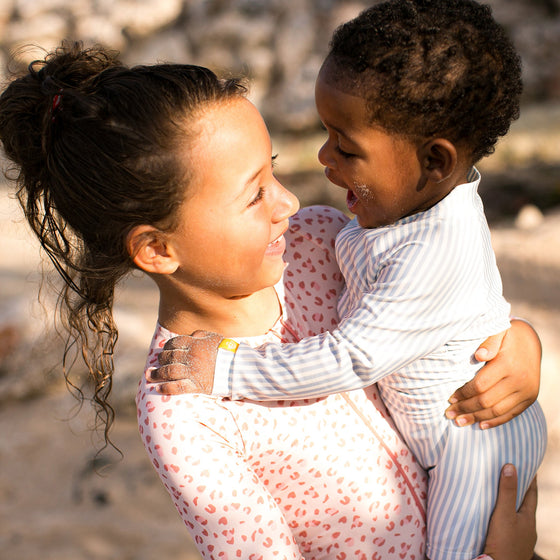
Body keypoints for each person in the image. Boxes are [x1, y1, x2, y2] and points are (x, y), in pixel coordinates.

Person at [0, 41, 541, 559]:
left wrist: (518, 344)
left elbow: (449, 299)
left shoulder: (321, 242)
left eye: (274, 170)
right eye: (255, 192)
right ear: (157, 248)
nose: (290, 201)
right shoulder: (183, 406)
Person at [147, 1, 548, 559]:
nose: (321, 159)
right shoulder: (186, 419)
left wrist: (230, 367)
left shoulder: (379, 244)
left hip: (470, 445)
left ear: (435, 161)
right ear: (154, 248)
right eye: (254, 191)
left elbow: (352, 357)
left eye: (346, 146)